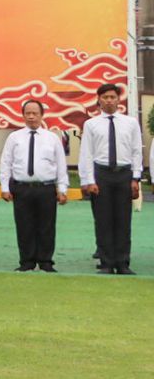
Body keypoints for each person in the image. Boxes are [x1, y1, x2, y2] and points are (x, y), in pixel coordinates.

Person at [0, 100, 69, 272]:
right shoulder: (14, 137)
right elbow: (6, 163)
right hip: (22, 188)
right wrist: (5, 187)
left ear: (41, 115)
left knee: (46, 226)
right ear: (23, 115)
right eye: (27, 113)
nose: (31, 117)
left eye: (34, 113)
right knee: (24, 226)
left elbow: (61, 165)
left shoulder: (52, 138)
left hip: (45, 188)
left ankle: (46, 262)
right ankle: (27, 261)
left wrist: (63, 189)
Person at [78, 82, 141, 274]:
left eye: (113, 97)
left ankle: (122, 262)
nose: (109, 100)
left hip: (124, 174)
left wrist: (136, 177)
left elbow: (137, 150)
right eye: (105, 97)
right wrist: (88, 180)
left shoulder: (130, 123)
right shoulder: (91, 124)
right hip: (101, 174)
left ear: (118, 100)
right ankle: (106, 262)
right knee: (103, 220)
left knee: (123, 220)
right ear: (99, 100)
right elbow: (86, 153)